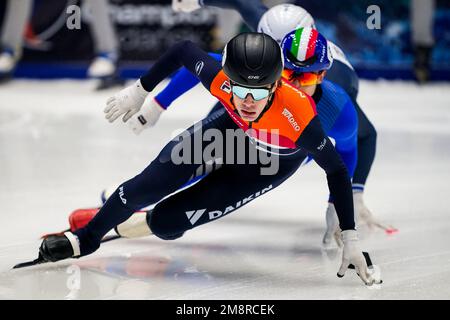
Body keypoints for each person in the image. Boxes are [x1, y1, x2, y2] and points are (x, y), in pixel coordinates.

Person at [38, 32, 378, 285]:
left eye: (307, 77)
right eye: (291, 72)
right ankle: (91, 235)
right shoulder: (236, 80)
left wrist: (346, 218)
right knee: (147, 185)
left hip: (268, 165)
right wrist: (144, 93)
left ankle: (126, 223)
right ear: (278, 72)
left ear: (321, 76)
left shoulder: (317, 112)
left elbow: (342, 159)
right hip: (229, 133)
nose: (247, 99)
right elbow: (184, 52)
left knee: (168, 224)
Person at [171, 1, 392, 236]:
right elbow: (242, 3)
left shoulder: (333, 94)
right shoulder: (273, 32)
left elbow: (365, 135)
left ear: (320, 76)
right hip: (266, 100)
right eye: (286, 71)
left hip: (298, 127)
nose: (295, 83)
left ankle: (172, 209)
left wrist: (351, 195)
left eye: (305, 79)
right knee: (212, 145)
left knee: (234, 159)